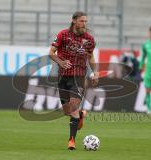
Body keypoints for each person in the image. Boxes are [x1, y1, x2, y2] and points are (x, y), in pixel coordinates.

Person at [49, 11, 98, 150]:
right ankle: (81, 115)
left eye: (86, 21)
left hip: (79, 77)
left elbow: (91, 57)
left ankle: (71, 141)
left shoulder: (89, 39)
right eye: (82, 21)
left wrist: (95, 72)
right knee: (67, 111)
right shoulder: (63, 35)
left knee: (74, 107)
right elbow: (51, 53)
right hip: (63, 76)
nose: (84, 24)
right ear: (74, 21)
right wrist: (60, 62)